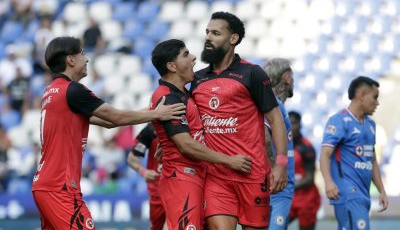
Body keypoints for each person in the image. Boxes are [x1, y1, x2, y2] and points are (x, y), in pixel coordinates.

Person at [31, 36, 186, 230]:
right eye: (82, 54)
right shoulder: (73, 91)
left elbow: (108, 123)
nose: (86, 59)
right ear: (70, 60)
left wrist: (150, 113)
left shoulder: (51, 92)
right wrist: (156, 113)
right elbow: (115, 118)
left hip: (44, 184)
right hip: (59, 186)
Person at [190, 12, 288, 230]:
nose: (208, 37)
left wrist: (280, 164)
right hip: (216, 176)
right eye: (207, 32)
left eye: (216, 33)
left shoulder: (251, 73)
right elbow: (188, 122)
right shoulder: (197, 79)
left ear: (233, 39)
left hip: (252, 174)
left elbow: (275, 118)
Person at [150, 39, 252, 230]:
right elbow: (186, 145)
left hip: (197, 176)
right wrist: (229, 160)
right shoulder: (168, 97)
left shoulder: (181, 94)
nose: (194, 58)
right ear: (172, 66)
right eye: (186, 54)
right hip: (181, 178)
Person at [320, 76, 388, 230]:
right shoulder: (338, 120)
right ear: (361, 95)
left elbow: (372, 160)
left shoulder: (371, 125)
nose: (377, 103)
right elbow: (325, 154)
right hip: (346, 193)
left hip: (363, 194)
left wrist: (382, 191)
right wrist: (329, 182)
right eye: (375, 97)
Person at [263, 58, 295, 230]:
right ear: (287, 78)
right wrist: (277, 167)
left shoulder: (276, 103)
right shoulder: (274, 103)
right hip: (277, 184)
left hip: (275, 183)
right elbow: (264, 135)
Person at [127, 123, 165, 230]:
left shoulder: (186, 126)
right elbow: (131, 158)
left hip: (180, 187)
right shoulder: (151, 130)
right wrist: (143, 171)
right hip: (157, 190)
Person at [288, 111, 321, 230]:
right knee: (275, 225)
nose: (291, 127)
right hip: (288, 198)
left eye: (294, 123)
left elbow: (309, 179)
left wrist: (287, 184)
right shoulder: (280, 145)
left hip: (306, 198)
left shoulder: (307, 147)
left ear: (300, 125)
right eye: (289, 123)